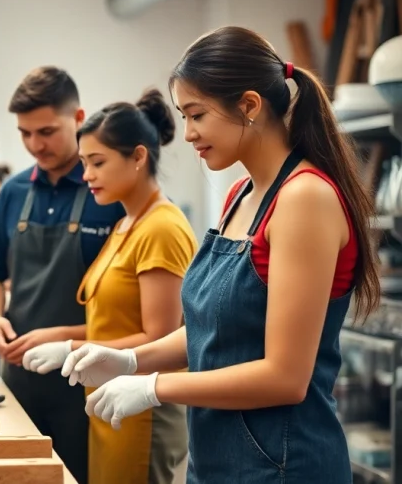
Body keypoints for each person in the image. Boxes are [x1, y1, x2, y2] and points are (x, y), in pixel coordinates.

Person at [59, 26, 379, 484]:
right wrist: (132, 360)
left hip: (283, 467)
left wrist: (154, 387)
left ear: (248, 105)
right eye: (184, 116)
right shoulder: (240, 195)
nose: (188, 134)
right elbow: (214, 329)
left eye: (197, 115)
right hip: (216, 461)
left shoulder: (304, 198)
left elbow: (285, 377)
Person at [22, 88, 194, 484]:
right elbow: (116, 321)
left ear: (138, 157)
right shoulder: (126, 224)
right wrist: (61, 337)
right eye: (84, 163)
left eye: (98, 162)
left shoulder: (161, 228)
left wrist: (71, 348)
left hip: (142, 409)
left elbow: (160, 337)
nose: (87, 176)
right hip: (109, 402)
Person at [0, 65, 125, 484]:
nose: (34, 145)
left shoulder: (109, 192)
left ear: (78, 118)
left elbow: (135, 314)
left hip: (90, 381)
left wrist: (66, 338)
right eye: (25, 133)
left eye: (46, 132)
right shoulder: (13, 192)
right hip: (20, 377)